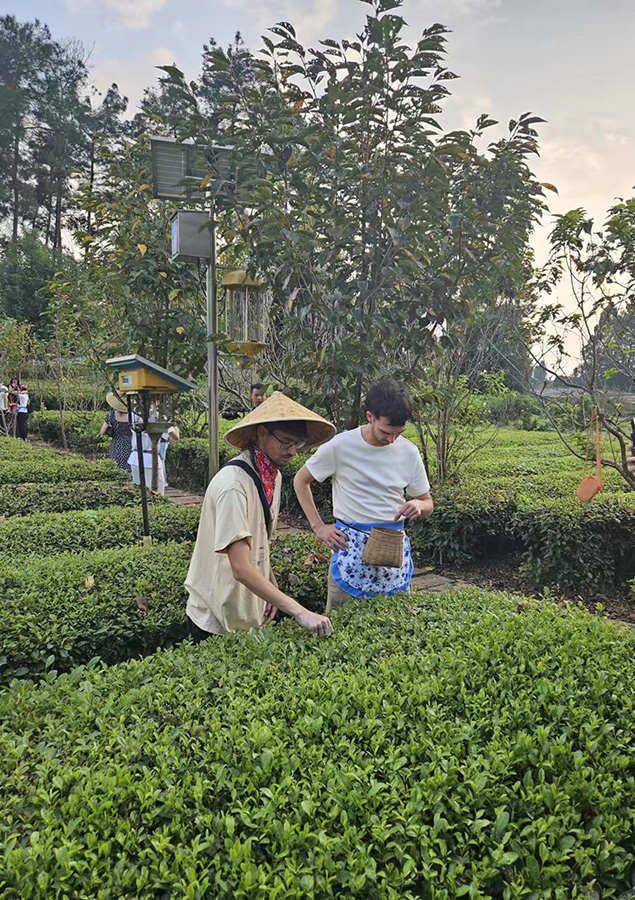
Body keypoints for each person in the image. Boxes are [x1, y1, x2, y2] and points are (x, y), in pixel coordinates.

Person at [185, 391, 336, 640]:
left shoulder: (272, 476)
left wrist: (271, 590)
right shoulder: (233, 485)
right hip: (215, 617)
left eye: (297, 444)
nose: (292, 452)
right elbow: (240, 567)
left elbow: (260, 542)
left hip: (247, 610)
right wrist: (300, 611)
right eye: (286, 442)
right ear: (262, 433)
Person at [294, 381, 434, 611]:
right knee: (342, 626)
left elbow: (428, 502)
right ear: (370, 416)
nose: (392, 440)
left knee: (396, 628)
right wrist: (319, 527)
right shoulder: (340, 445)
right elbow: (300, 480)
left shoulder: (408, 451)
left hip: (392, 551)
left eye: (399, 434)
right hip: (350, 550)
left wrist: (418, 505)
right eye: (386, 432)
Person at [101, 392, 135, 471]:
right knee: (129, 469)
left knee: (115, 468)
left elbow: (102, 431)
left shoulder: (111, 415)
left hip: (116, 445)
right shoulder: (132, 416)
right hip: (130, 445)